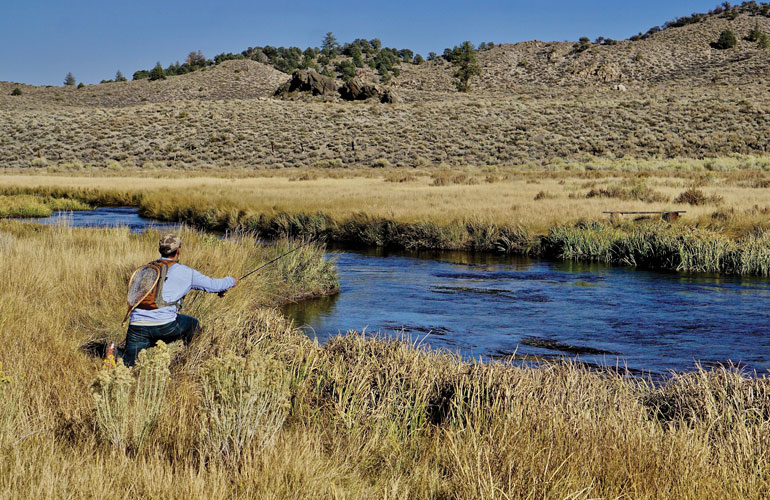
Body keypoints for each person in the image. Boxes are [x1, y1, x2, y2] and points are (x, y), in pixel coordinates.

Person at [123, 233, 238, 366]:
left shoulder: (145, 269)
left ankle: (115, 354)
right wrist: (232, 281)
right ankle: (190, 361)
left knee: (129, 365)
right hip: (165, 325)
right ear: (178, 250)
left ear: (160, 250)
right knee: (192, 324)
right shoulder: (185, 272)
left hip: (137, 324)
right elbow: (214, 285)